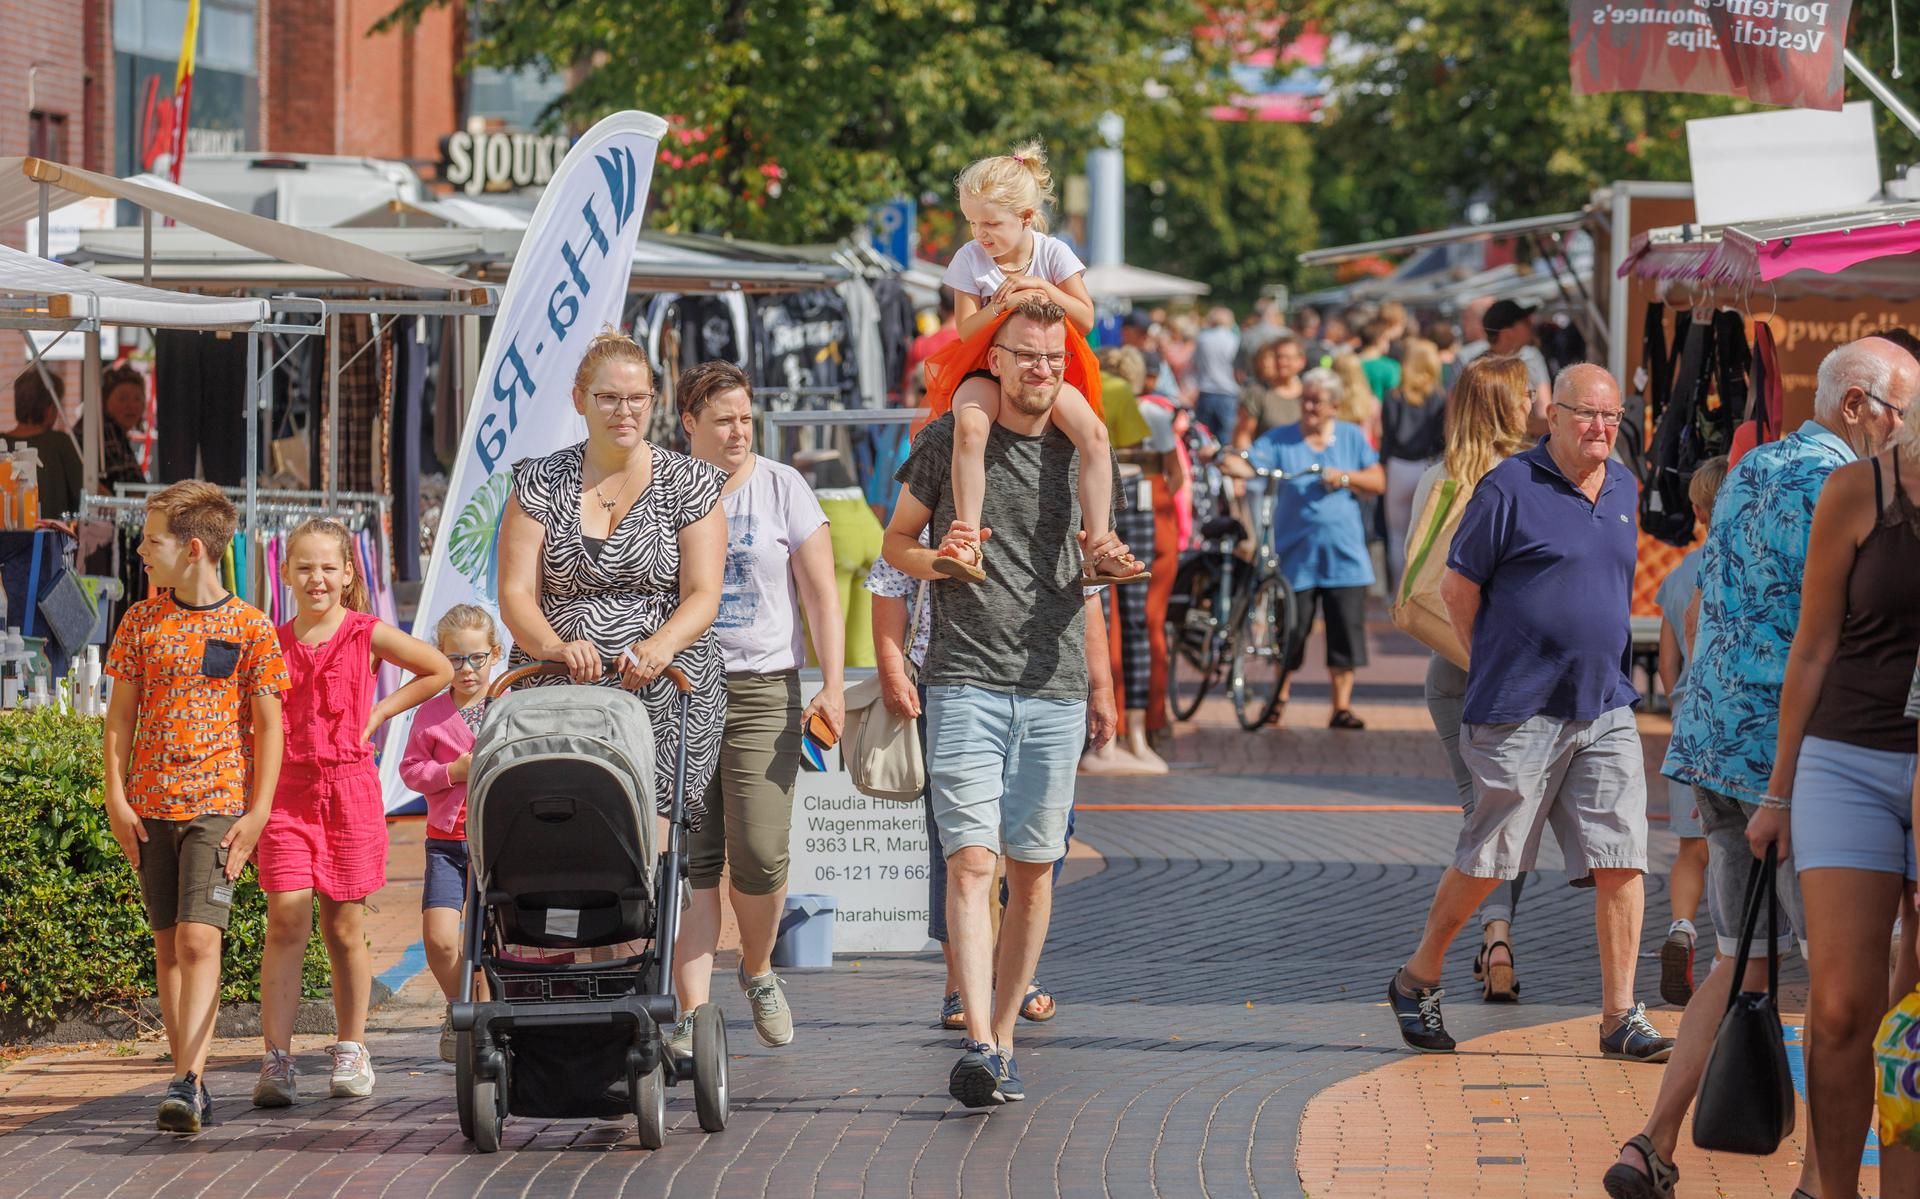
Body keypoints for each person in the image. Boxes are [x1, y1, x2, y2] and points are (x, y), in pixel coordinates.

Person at [1607, 336, 1918, 1199]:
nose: (1906, 429)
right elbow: (1827, 639)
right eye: (1901, 411)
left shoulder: (1748, 467)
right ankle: (1821, 1178)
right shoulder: (1846, 487)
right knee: (1836, 982)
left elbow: (1713, 589)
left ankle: (1652, 1143)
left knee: (1744, 957)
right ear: (1857, 407)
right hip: (1801, 751)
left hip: (1712, 735)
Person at [1388, 365, 1670, 1064]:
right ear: (1553, 415)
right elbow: (1458, 588)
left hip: (1604, 701)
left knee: (1622, 854)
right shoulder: (1509, 486)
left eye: (1612, 417)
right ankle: (1417, 975)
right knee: (1493, 858)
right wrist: (1496, 659)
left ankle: (1619, 1014)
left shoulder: (1626, 485)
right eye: (1588, 415)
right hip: (1520, 706)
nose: (1602, 428)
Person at [883, 295, 1122, 1109]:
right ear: (995, 357)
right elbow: (894, 546)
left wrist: (1102, 681)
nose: (1041, 370)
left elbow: (1095, 586)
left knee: (1033, 872)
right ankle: (979, 1043)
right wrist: (941, 564)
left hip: (1052, 683)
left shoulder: (1078, 438)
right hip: (965, 679)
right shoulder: (951, 436)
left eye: (1053, 358)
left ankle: (1008, 1035)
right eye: (1026, 355)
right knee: (971, 863)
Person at [1766, 379, 1919, 1199]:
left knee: (1918, 1011)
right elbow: (1813, 645)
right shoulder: (1860, 488)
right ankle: (1833, 1191)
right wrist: (1778, 789)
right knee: (1838, 1008)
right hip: (1848, 757)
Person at [101, 481, 290, 1134]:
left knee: (197, 936)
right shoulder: (139, 621)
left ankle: (190, 1077)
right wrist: (116, 795)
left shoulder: (250, 627)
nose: (141, 551)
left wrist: (258, 810)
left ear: (194, 548)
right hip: (151, 805)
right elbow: (119, 720)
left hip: (216, 806)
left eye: (152, 540)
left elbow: (270, 727)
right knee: (166, 945)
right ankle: (186, 1078)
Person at [672, 360, 846, 1053]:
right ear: (691, 424)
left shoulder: (782, 487)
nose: (739, 430)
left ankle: (758, 965)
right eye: (724, 419)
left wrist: (831, 684)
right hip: (683, 689)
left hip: (764, 689)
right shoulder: (668, 487)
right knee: (694, 859)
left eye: (746, 417)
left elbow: (822, 594)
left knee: (762, 853)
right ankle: (692, 1013)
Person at [250, 518, 452, 1107]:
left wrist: (382, 710)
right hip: (287, 793)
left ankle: (351, 1047)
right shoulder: (270, 640)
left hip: (349, 793)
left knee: (343, 928)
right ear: (284, 573)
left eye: (328, 568)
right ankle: (278, 1059)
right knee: (286, 918)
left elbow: (438, 668)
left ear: (347, 575)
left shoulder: (367, 633)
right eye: (305, 567)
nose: (317, 578)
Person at [497, 328, 728, 831]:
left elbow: (703, 593)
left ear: (653, 400)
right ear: (580, 399)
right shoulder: (537, 481)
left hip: (666, 687)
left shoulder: (690, 482)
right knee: (550, 831)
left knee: (649, 846)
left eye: (637, 398)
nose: (624, 411)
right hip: (557, 688)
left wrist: (660, 647)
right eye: (608, 398)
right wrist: (553, 647)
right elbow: (516, 593)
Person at [937, 142, 1132, 588]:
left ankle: (1099, 543)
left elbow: (1084, 318)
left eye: (990, 223)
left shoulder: (1053, 253)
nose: (979, 234)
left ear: (1025, 218)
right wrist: (1003, 305)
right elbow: (967, 331)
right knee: (969, 427)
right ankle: (967, 537)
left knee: (1095, 434)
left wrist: (1042, 287)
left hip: (1045, 368)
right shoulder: (970, 258)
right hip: (985, 367)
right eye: (972, 221)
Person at [1405, 355, 1535, 1002]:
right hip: (1512, 668)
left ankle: (1493, 934)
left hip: (1448, 666)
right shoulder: (1530, 480)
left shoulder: (1439, 479)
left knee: (1480, 811)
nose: (1538, 400)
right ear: (1510, 406)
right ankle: (1498, 937)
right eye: (1529, 392)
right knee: (1509, 814)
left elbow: (1422, 581)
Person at [1218, 367, 1384, 730]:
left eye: (1316, 401)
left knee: (1345, 634)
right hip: (1296, 556)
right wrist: (1225, 459)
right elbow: (1248, 464)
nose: (1308, 406)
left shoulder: (1352, 437)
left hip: (1345, 556)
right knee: (1290, 633)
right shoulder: (1280, 439)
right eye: (1305, 399)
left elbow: (1377, 481)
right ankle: (1278, 697)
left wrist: (1344, 477)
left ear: (1335, 406)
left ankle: (1341, 707)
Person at [399, 603, 502, 1063]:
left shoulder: (506, 707)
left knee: (486, 940)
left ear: (494, 655)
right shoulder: (432, 715)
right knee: (440, 939)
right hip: (446, 843)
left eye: (476, 658)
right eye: (456, 659)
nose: (466, 669)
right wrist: (451, 772)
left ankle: (482, 1018)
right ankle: (460, 1008)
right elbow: (411, 770)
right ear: (441, 659)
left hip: (496, 841)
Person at [1651, 455, 1728, 1009]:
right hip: (1735, 721)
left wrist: (1676, 703)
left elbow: (1667, 664)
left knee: (1690, 848)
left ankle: (1682, 926)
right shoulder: (1749, 564)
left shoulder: (1680, 576)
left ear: (1697, 511)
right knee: (1734, 848)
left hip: (1688, 726)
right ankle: (1730, 951)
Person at [1084, 346, 1169, 773]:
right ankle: (1132, 732)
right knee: (1134, 619)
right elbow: (1134, 450)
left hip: (1085, 499)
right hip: (1130, 496)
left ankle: (1102, 735)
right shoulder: (1115, 389)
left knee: (1095, 615)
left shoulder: (1084, 385)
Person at [1380, 338, 1448, 589]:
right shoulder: (1439, 397)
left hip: (1399, 466)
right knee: (1428, 533)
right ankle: (1421, 589)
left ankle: (1399, 591)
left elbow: (1387, 436)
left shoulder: (1393, 396)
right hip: (1430, 466)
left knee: (1397, 535)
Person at [5, 366, 82, 520]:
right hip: (52, 540)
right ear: (50, 409)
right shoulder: (61, 443)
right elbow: (82, 494)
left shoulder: (3, 443)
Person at [1479, 301, 1551, 427]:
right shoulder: (1479, 370)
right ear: (1508, 332)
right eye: (1525, 322)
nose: (1531, 324)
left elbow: (1544, 409)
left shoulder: (1533, 357)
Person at [1233, 336, 1306, 449]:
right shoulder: (1258, 393)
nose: (1282, 362)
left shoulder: (1308, 394)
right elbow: (1243, 435)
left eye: (1288, 358)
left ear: (1301, 361)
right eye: (1278, 357)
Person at [91, 364, 149, 491]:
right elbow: (131, 489)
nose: (131, 405)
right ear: (104, 400)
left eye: (137, 398)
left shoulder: (117, 433)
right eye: (122, 398)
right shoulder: (104, 431)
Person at [1191, 306, 1243, 444]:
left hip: (1206, 392)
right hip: (1228, 393)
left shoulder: (1202, 339)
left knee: (1205, 439)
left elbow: (1195, 364)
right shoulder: (1234, 340)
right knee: (1226, 439)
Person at [1357, 318, 1402, 401]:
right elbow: (1395, 396)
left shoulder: (1351, 364)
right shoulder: (1390, 367)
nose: (1388, 344)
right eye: (1387, 339)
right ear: (1380, 339)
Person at [1455, 298, 1494, 367]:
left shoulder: (1464, 355)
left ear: (1480, 321)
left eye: (1466, 318)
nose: (1463, 323)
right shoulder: (1508, 349)